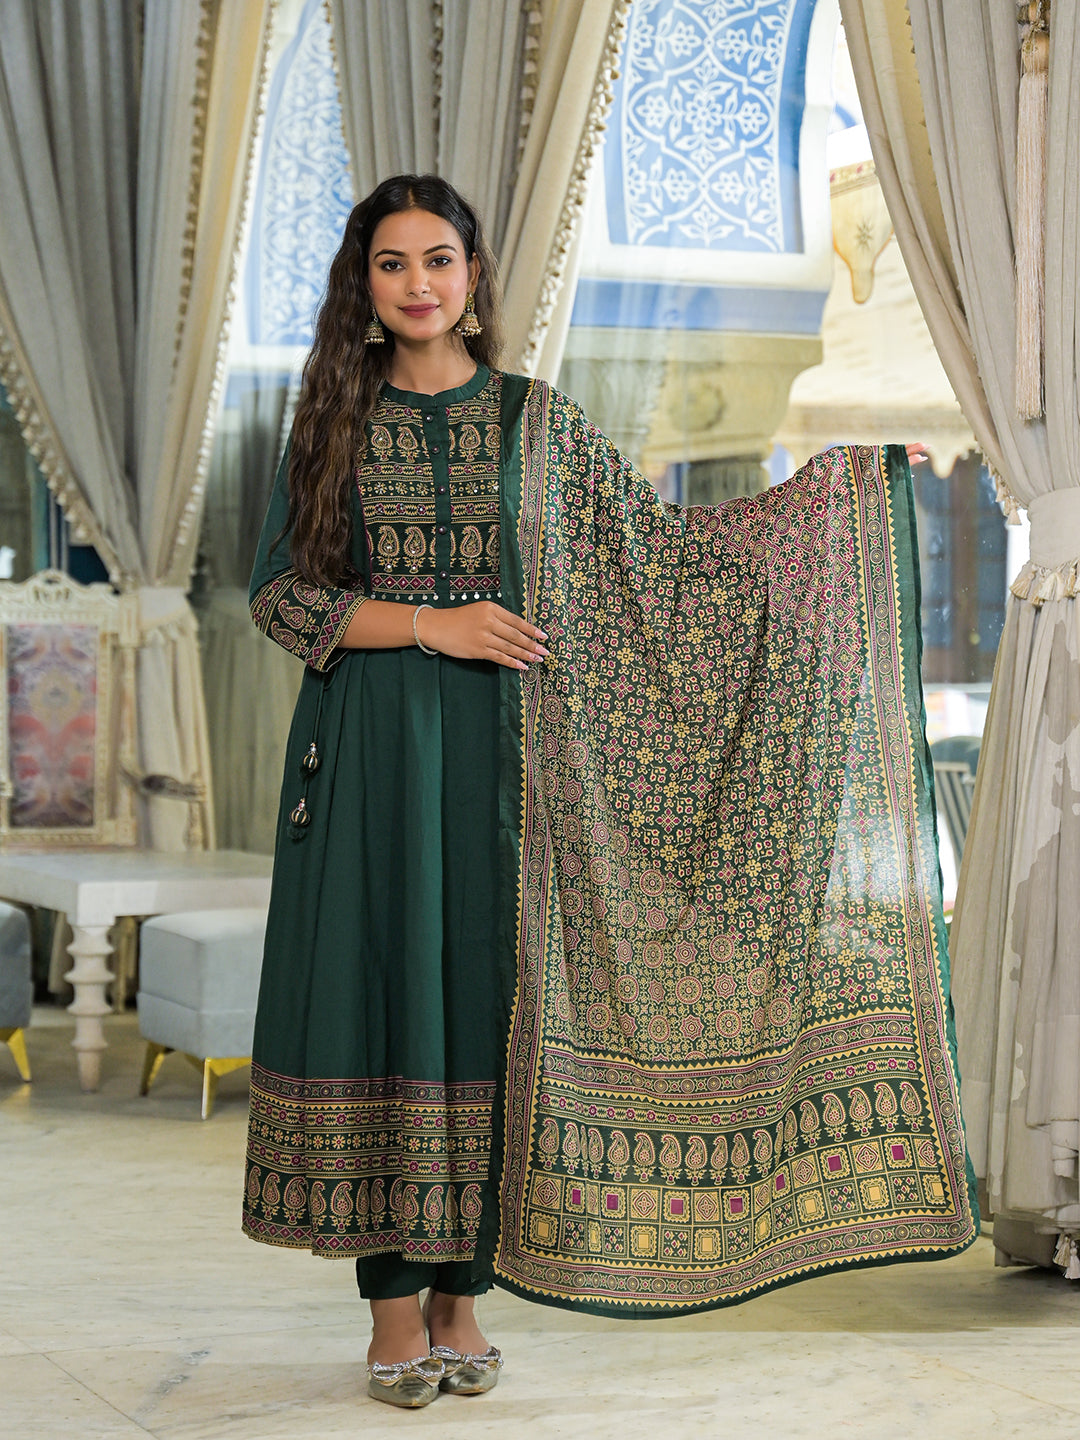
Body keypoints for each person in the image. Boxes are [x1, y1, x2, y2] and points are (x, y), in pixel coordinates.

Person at [242, 174, 978, 1409]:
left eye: (438, 259)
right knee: (386, 1000)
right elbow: (280, 595)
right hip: (370, 754)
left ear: (475, 275)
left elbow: (662, 556)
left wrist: (847, 496)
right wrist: (431, 624)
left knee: (490, 1008)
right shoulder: (334, 419)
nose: (418, 283)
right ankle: (391, 1309)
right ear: (362, 284)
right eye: (392, 263)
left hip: (512, 766)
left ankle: (462, 1299)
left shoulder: (537, 422)